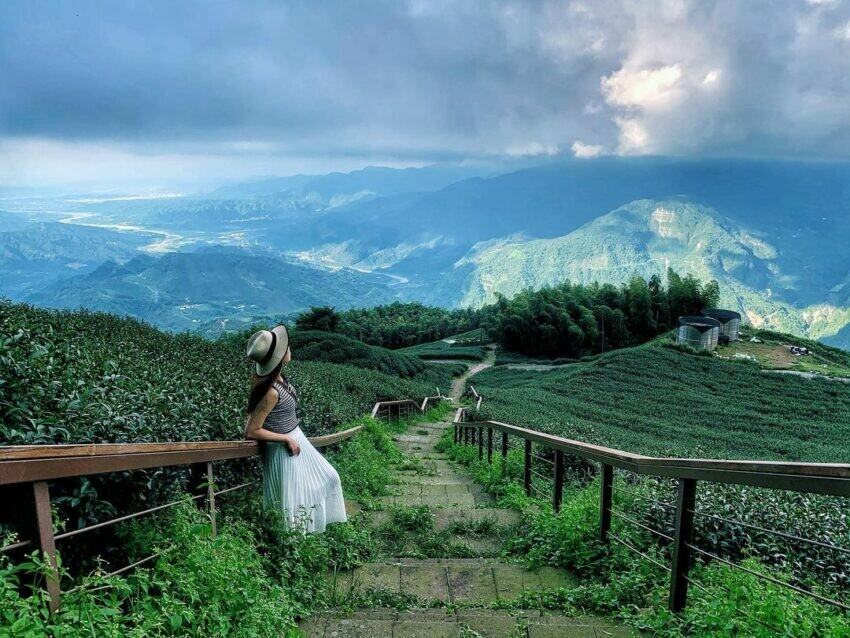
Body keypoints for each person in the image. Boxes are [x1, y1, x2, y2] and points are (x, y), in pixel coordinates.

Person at [243, 324, 347, 533]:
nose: (289, 348)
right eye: (285, 347)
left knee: (329, 477)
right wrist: (285, 439)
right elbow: (252, 430)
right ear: (279, 357)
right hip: (283, 448)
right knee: (290, 497)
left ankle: (305, 534)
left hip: (296, 438)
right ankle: (289, 544)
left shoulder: (279, 380)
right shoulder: (271, 391)